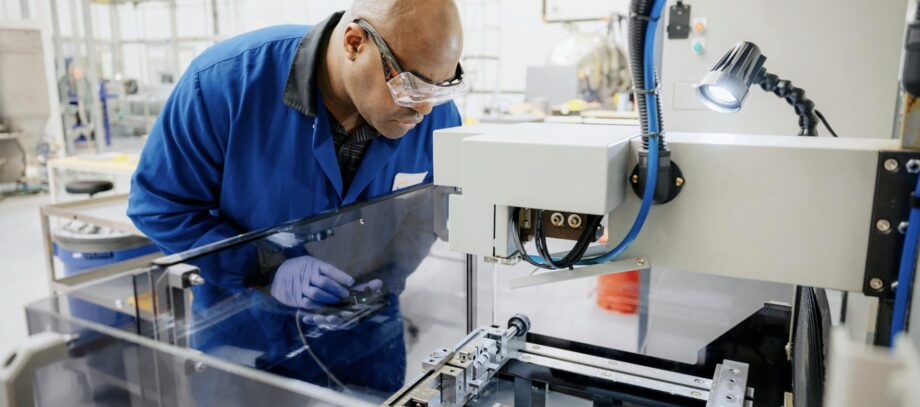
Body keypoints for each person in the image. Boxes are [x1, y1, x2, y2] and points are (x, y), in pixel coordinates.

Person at [127, 0, 465, 395]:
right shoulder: (227, 82)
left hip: (366, 340)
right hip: (248, 338)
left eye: (439, 87)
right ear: (355, 43)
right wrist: (265, 268)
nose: (423, 108)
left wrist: (383, 281)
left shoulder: (438, 119)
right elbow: (159, 204)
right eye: (409, 85)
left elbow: (425, 216)